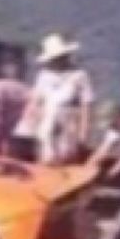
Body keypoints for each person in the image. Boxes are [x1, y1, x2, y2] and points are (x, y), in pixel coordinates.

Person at [25, 33, 97, 166]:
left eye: (61, 57)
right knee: (47, 156)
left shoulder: (79, 75)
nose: (58, 61)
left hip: (68, 118)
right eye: (55, 59)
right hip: (48, 117)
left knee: (66, 154)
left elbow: (86, 105)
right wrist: (30, 123)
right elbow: (35, 101)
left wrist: (84, 131)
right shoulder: (44, 75)